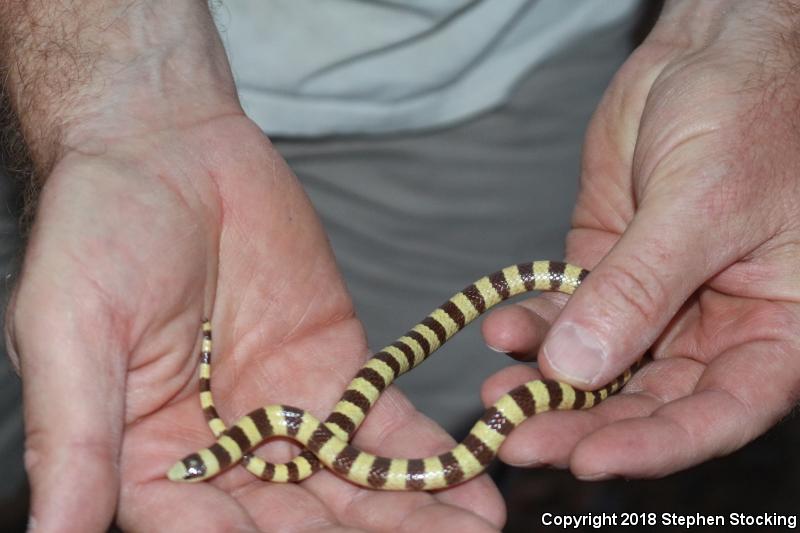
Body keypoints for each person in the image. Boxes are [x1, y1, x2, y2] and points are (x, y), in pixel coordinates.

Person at [1, 1, 798, 532]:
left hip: (504, 70)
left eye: (210, 453)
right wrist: (119, 89)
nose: (205, 457)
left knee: (459, 385)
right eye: (210, 455)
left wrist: (746, 24)